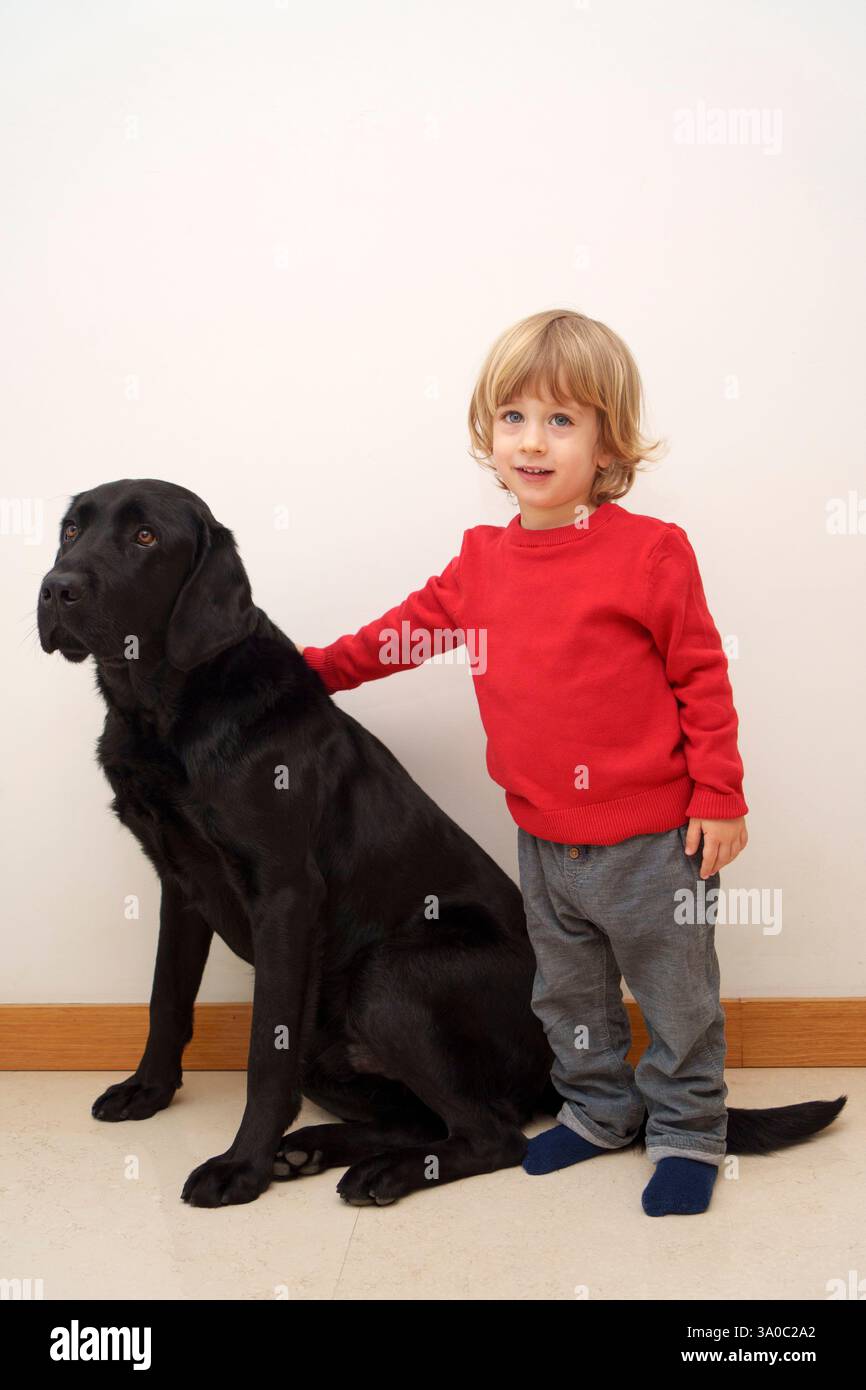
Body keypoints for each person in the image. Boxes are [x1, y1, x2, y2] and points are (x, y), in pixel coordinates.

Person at [299, 308, 749, 1216]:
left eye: (561, 420)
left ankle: (691, 1132)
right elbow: (403, 634)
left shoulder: (652, 552)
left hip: (654, 840)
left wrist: (720, 794)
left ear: (607, 440)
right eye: (513, 418)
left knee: (677, 996)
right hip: (543, 839)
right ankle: (595, 1112)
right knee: (567, 995)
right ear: (487, 434)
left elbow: (701, 675)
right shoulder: (481, 561)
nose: (532, 442)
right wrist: (305, 672)